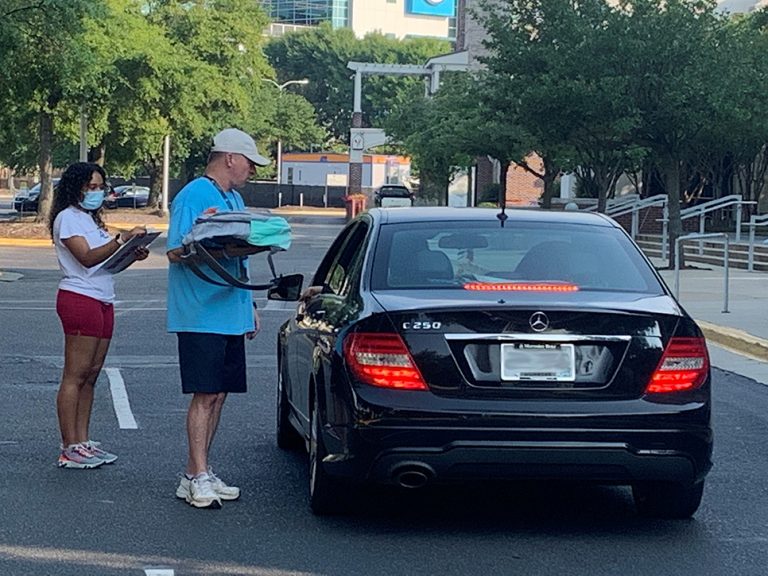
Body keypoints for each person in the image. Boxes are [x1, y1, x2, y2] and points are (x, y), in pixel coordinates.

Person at [166, 128, 270, 509]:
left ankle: (199, 472)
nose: (252, 170)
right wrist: (206, 241)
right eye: (249, 162)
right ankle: (197, 474)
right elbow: (176, 250)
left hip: (229, 309)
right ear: (229, 158)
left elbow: (239, 258)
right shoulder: (194, 194)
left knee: (220, 394)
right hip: (200, 311)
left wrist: (249, 306)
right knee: (205, 394)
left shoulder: (234, 197)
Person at [49, 162, 149, 469]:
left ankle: (82, 440)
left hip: (103, 297)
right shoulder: (68, 219)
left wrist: (132, 253)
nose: (96, 192)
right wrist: (120, 240)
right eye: (90, 187)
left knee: (91, 375)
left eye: (100, 187)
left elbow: (107, 264)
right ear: (75, 187)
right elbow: (87, 257)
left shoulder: (92, 221)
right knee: (75, 374)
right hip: (80, 298)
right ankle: (69, 446)